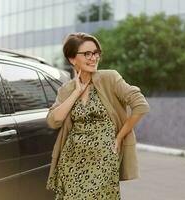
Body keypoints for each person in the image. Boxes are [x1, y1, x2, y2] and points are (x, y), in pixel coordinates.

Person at [46, 32, 150, 199]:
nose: (93, 57)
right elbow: (53, 121)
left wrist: (119, 138)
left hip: (104, 158)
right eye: (87, 53)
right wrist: (76, 92)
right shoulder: (66, 89)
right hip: (71, 160)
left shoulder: (110, 78)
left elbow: (141, 105)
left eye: (96, 53)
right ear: (72, 59)